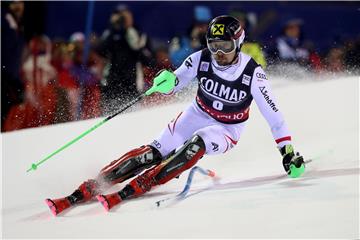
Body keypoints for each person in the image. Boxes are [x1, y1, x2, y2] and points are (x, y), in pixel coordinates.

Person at [45, 15, 305, 216]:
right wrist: (166, 82)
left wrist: (287, 151)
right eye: (214, 46)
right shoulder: (201, 59)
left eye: (225, 46)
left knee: (197, 143)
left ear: (238, 43)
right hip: (198, 113)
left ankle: (144, 182)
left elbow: (274, 116)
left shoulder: (253, 74)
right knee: (152, 152)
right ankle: (92, 186)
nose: (219, 53)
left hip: (227, 129)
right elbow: (177, 80)